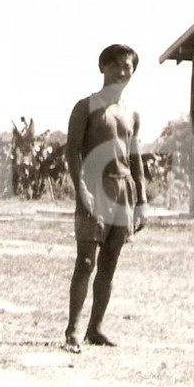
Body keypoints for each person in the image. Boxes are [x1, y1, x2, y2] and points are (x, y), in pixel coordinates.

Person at [63, 43, 146, 354]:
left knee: (110, 263)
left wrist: (142, 200)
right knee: (86, 262)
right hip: (94, 188)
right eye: (115, 66)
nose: (122, 72)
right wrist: (81, 190)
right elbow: (71, 151)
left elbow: (135, 157)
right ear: (103, 68)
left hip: (123, 190)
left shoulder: (132, 114)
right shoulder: (85, 107)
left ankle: (95, 328)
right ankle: (72, 330)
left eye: (127, 67)